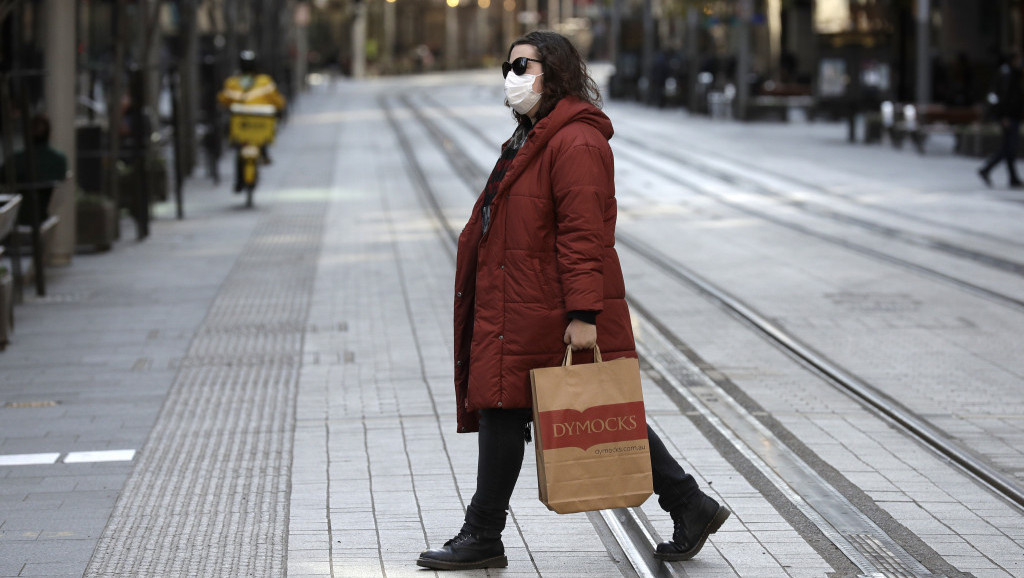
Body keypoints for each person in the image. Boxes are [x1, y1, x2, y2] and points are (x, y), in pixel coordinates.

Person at [416, 31, 730, 571]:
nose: (511, 76)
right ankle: (688, 503)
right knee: (528, 409)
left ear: (554, 70)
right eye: (507, 66)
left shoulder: (576, 142)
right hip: (521, 303)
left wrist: (585, 315)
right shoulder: (532, 137)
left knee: (526, 409)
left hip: (548, 308)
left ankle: (484, 533)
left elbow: (586, 236)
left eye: (522, 65)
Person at [217, 50, 286, 191]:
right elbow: (278, 101)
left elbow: (222, 99)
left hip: (240, 124)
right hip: (261, 123)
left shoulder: (232, 83)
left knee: (238, 149)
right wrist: (280, 108)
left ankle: (239, 182)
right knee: (262, 137)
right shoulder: (265, 81)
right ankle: (264, 153)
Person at [0, 114, 67, 226]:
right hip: (44, 214)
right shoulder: (60, 160)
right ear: (49, 134)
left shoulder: (17, 160)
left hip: (19, 217)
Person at [979, 52, 1023, 188]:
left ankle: (1013, 178)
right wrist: (1004, 116)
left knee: (1009, 148)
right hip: (1009, 117)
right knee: (1008, 147)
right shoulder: (1008, 74)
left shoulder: (1010, 72)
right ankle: (986, 169)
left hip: (1011, 116)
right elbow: (1005, 97)